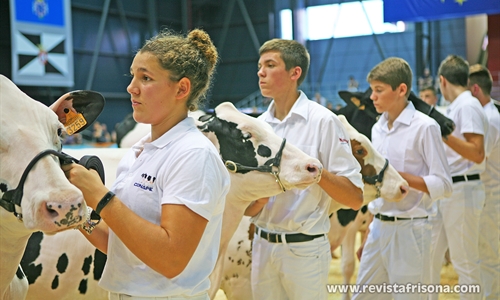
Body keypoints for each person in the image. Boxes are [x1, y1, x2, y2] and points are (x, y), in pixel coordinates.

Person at [62, 28, 230, 300]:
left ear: (182, 88)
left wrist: (101, 197)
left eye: (146, 77)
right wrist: (80, 213)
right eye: (133, 75)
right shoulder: (138, 153)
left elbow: (171, 259)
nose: (131, 87)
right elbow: (119, 244)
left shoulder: (194, 154)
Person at [244, 38, 364, 300]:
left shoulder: (324, 121)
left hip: (305, 251)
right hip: (262, 246)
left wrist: (318, 175)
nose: (260, 72)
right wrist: (255, 200)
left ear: (294, 73)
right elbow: (249, 207)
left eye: (270, 65)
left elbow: (355, 197)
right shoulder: (258, 127)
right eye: (259, 65)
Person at [351, 57, 452, 300]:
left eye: (378, 90)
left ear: (401, 90)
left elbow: (444, 184)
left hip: (412, 229)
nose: (372, 97)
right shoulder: (377, 128)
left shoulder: (425, 127)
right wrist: (368, 233)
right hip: (378, 228)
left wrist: (402, 179)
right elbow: (379, 187)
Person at [429, 55, 488, 300]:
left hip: (463, 188)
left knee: (464, 262)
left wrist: (443, 134)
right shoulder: (458, 106)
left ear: (442, 81)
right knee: (430, 257)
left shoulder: (467, 105)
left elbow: (476, 152)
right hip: (449, 190)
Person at [469, 64, 500, 300]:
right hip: (487, 195)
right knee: (484, 255)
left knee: (489, 258)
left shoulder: (489, 118)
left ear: (475, 89)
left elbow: (477, 160)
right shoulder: (488, 116)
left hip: (491, 195)